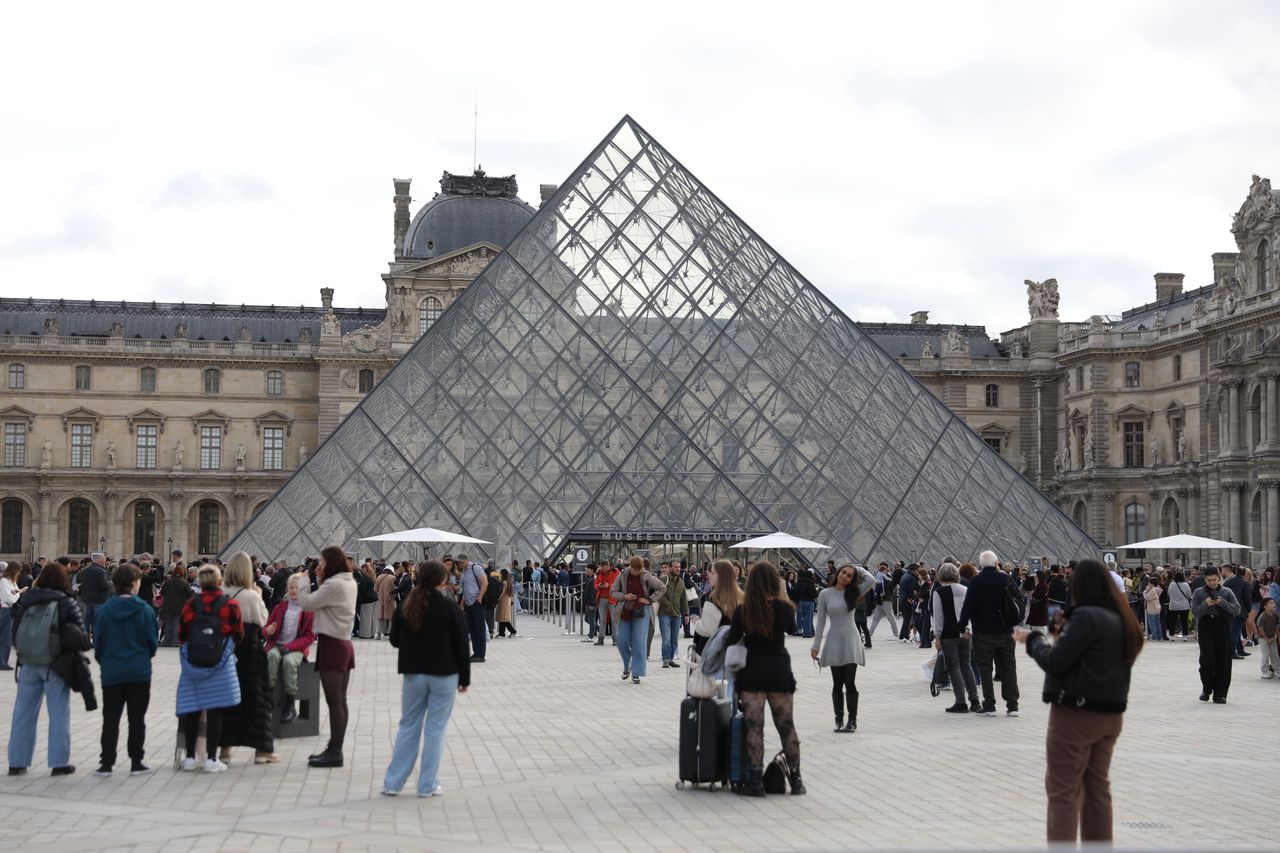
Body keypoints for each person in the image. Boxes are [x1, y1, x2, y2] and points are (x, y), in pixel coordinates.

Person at [1013, 558, 1144, 845]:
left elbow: (1056, 662)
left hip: (1075, 715)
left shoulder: (1086, 617)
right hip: (1110, 716)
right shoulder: (1122, 619)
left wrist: (1033, 640)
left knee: (1063, 791)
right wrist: (1062, 633)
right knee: (1097, 791)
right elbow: (1089, 658)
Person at [382, 560, 470, 797]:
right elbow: (462, 645)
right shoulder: (450, 608)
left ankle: (393, 783)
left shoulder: (407, 606)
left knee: (408, 726)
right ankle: (427, 785)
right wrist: (465, 678)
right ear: (443, 580)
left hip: (413, 673)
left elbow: (395, 640)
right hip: (444, 674)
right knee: (435, 730)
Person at [726, 561, 802, 797]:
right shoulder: (785, 608)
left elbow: (732, 641)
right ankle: (797, 780)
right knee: (786, 727)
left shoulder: (744, 609)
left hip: (752, 670)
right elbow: (792, 629)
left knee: (754, 728)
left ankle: (756, 782)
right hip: (779, 668)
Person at [6, 562, 89, 777]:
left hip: (28, 664)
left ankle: (17, 762)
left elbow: (15, 632)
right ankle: (59, 763)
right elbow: (80, 637)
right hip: (56, 664)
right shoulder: (66, 602)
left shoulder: (27, 599)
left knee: (23, 714)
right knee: (59, 713)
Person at [91, 563, 158, 776]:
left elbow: (98, 643)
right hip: (139, 671)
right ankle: (136, 761)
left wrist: (108, 662)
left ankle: (106, 763)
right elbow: (152, 643)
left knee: (110, 718)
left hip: (112, 672)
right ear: (134, 583)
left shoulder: (104, 611)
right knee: (136, 718)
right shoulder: (145, 610)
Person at [176, 564, 243, 773]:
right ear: (219, 581)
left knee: (193, 711)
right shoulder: (230, 605)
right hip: (220, 664)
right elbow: (238, 634)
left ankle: (189, 758)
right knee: (215, 713)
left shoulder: (190, 604)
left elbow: (182, 635)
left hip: (194, 663)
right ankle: (212, 759)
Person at [297, 545, 358, 767]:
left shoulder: (334, 584)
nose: (318, 566)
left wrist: (304, 580)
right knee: (340, 701)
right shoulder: (347, 581)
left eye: (321, 562)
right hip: (343, 643)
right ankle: (335, 748)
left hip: (332, 645)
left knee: (335, 703)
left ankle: (335, 752)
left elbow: (308, 603)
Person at [217, 551, 277, 765]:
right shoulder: (252, 595)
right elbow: (263, 621)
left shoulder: (220, 593)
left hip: (226, 650)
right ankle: (262, 750)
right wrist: (258, 596)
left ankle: (224, 750)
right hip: (249, 649)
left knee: (227, 699)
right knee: (256, 699)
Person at [957, 550, 1020, 717]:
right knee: (1008, 667)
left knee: (985, 668)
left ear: (981, 564)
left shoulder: (976, 581)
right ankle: (1012, 706)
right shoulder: (1006, 578)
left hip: (983, 632)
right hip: (1005, 630)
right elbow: (1019, 599)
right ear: (996, 562)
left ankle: (990, 705)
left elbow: (968, 606)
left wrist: (962, 626)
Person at [811, 564, 873, 733]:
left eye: (849, 575)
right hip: (834, 641)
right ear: (838, 572)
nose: (844, 576)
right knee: (837, 683)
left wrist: (856, 568)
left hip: (851, 640)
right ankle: (839, 719)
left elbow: (871, 579)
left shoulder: (853, 593)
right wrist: (816, 645)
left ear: (852, 579)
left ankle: (852, 720)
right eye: (843, 572)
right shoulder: (825, 594)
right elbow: (821, 622)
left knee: (850, 682)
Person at [263, 573, 317, 723]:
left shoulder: (309, 610)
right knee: (272, 657)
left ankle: (290, 705)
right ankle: (269, 700)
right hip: (276, 645)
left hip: (296, 648)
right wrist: (268, 631)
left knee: (288, 662)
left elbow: (309, 637)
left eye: (298, 588)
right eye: (291, 587)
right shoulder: (280, 607)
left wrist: (289, 647)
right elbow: (266, 628)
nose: (294, 590)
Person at [932, 562, 982, 714]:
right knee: (966, 666)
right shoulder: (966, 589)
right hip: (966, 633)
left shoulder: (939, 592)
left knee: (954, 667)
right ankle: (975, 700)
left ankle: (960, 702)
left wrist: (937, 637)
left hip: (948, 635)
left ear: (941, 575)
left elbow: (938, 618)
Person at [609, 556, 665, 684]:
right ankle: (627, 664)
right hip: (626, 611)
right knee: (620, 639)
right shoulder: (623, 574)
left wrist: (650, 599)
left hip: (642, 611)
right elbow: (613, 591)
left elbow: (662, 587)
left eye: (639, 570)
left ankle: (636, 672)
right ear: (630, 567)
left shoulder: (647, 575)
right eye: (634, 570)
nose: (636, 572)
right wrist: (625, 596)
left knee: (639, 642)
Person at [1191, 568, 1240, 703]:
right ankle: (1206, 688)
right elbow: (1195, 612)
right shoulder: (1198, 592)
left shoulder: (1227, 592)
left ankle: (1220, 693)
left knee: (1223, 660)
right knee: (1207, 659)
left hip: (1222, 625)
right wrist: (1206, 604)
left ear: (1219, 578)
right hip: (1205, 626)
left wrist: (1221, 602)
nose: (1212, 583)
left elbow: (1237, 609)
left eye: (1214, 580)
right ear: (1205, 579)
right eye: (1209, 580)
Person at [693, 559, 742, 655]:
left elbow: (707, 630)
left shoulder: (715, 598)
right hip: (733, 650)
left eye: (712, 573)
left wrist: (697, 622)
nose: (708, 575)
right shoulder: (741, 596)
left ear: (721, 576)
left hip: (713, 651)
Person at [456, 554, 488, 663]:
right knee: (472, 629)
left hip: (476, 602)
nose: (459, 564)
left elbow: (485, 582)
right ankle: (476, 653)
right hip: (468, 603)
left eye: (461, 562)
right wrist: (462, 604)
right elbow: (465, 590)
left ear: (466, 561)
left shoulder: (476, 568)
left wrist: (479, 598)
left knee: (479, 628)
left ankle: (481, 654)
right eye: (458, 563)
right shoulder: (464, 572)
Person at [656, 560, 688, 668]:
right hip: (664, 613)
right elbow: (658, 594)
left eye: (679, 567)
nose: (678, 569)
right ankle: (665, 660)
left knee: (674, 639)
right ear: (670, 568)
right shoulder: (664, 579)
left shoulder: (681, 582)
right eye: (675, 567)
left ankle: (670, 659)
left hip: (676, 614)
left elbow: (684, 599)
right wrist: (668, 603)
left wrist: (686, 614)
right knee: (666, 639)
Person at [77, 551, 111, 643]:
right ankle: (96, 642)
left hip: (87, 599)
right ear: (100, 561)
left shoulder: (84, 570)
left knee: (86, 622)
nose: (104, 563)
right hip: (98, 599)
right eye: (103, 561)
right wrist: (110, 584)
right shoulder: (100, 571)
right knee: (97, 622)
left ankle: (85, 641)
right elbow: (104, 586)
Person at [0, 560, 19, 670]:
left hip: (9, 609)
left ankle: (3, 661)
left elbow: (15, 593)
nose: (19, 574)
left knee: (7, 638)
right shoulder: (4, 581)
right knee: (5, 638)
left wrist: (16, 594)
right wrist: (16, 594)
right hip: (6, 609)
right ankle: (2, 662)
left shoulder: (11, 581)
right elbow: (10, 598)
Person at [794, 568, 819, 638]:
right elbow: (815, 594)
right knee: (808, 618)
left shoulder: (799, 582)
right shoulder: (810, 583)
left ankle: (799, 630)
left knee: (799, 617)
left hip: (800, 601)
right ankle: (807, 633)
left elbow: (797, 592)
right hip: (809, 601)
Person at [375, 566, 397, 639]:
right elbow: (396, 589)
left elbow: (375, 589)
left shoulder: (379, 577)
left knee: (381, 617)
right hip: (390, 600)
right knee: (390, 617)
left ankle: (378, 634)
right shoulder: (393, 578)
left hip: (381, 600)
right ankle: (389, 633)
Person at [495, 569, 517, 638]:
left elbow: (502, 592)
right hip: (507, 600)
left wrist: (498, 599)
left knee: (503, 618)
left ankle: (512, 631)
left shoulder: (504, 582)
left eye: (501, 573)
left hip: (503, 601)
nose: (500, 574)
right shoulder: (509, 581)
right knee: (503, 618)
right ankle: (502, 633)